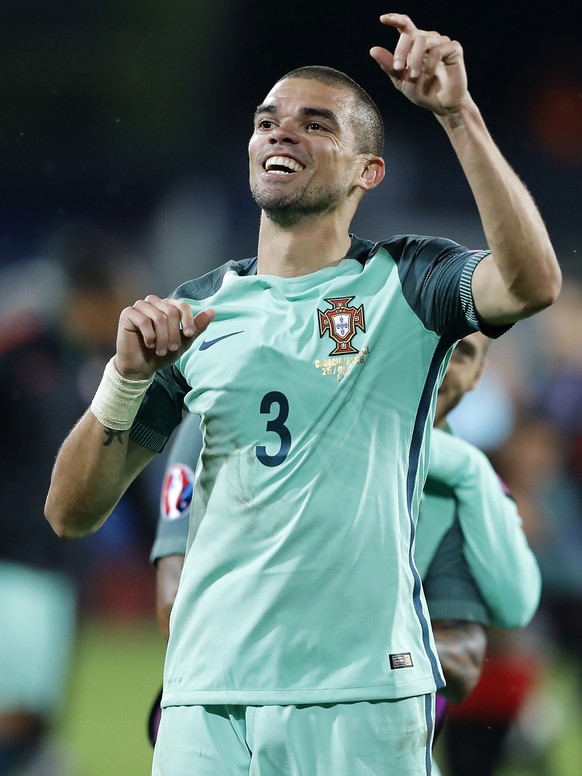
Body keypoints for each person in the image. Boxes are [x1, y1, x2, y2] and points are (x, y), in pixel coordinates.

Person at [44, 12, 561, 775]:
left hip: (360, 696)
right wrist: (124, 381)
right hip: (204, 697)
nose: (281, 133)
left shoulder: (408, 283)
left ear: (366, 172)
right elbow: (70, 512)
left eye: (315, 123)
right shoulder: (197, 311)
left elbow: (531, 282)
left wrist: (457, 113)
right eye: (267, 121)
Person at [148, 332, 542, 774]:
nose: (442, 362)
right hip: (231, 733)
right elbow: (172, 603)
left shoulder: (459, 491)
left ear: (477, 377)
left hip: (380, 747)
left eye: (463, 353)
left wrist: (468, 469)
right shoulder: (242, 417)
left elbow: (467, 658)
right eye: (436, 343)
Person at [0, 221, 162, 775]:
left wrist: (160, 549)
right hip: (11, 571)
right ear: (87, 298)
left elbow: (130, 481)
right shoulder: (20, 356)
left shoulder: (102, 372)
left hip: (61, 572)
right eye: (117, 299)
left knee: (38, 715)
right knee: (18, 722)